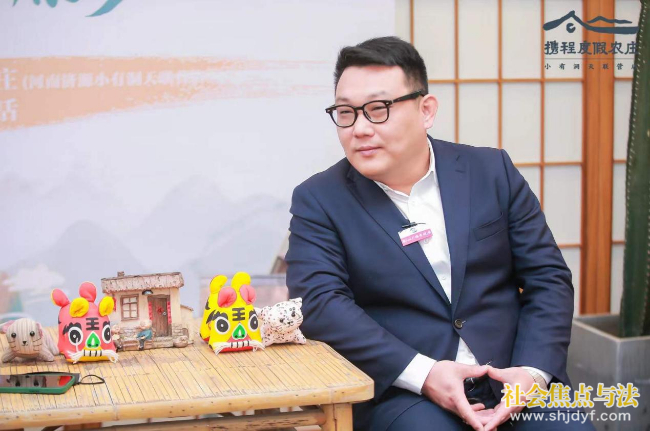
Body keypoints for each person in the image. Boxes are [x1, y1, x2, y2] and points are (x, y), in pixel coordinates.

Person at [286, 36, 594, 431]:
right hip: (406, 394)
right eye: (346, 113)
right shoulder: (319, 199)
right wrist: (425, 374)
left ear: (426, 110)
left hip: (512, 376)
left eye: (378, 109)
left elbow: (547, 277)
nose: (359, 128)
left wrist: (532, 372)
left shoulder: (491, 171)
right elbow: (320, 303)